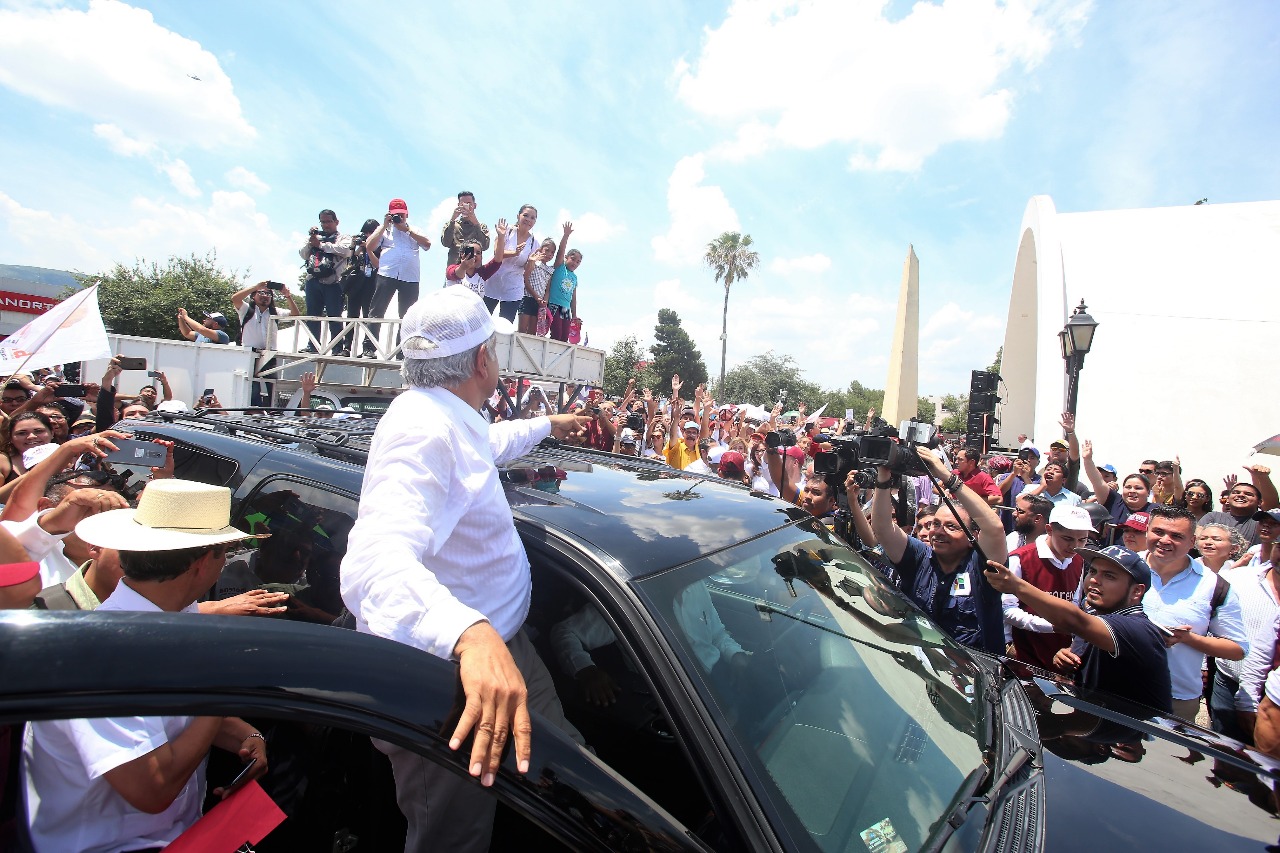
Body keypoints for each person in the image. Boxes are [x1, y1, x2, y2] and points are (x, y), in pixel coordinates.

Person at [339, 286, 590, 853]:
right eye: (495, 353)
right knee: (454, 839)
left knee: (574, 772)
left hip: (505, 649)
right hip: (451, 680)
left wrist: (548, 424)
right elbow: (374, 561)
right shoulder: (422, 431)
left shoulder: (448, 417)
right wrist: (469, 634)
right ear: (482, 361)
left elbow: (486, 444)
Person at [22, 479, 268, 853]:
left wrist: (248, 737)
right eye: (226, 553)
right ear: (205, 562)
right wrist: (219, 690)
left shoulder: (175, 621)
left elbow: (176, 715)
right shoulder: (100, 658)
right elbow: (152, 790)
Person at [985, 545, 1172, 714]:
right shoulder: (1094, 613)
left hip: (1140, 742)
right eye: (1093, 571)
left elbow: (1075, 621)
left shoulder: (1137, 628)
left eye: (1109, 576)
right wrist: (1066, 656)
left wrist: (1016, 586)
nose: (1095, 580)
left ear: (1136, 591)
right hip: (1095, 727)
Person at [871, 446, 1009, 653]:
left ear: (973, 537)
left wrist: (945, 475)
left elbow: (995, 527)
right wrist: (883, 479)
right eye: (935, 524)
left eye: (951, 527)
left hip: (975, 675)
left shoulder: (981, 566)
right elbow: (882, 529)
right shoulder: (919, 557)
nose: (938, 532)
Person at [1141, 505, 1249, 721]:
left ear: (1192, 542)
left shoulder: (1213, 585)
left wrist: (1187, 639)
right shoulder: (1122, 567)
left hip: (1175, 699)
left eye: (1176, 535)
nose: (1165, 540)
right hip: (1111, 687)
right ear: (1147, 532)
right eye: (1159, 532)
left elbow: (1238, 649)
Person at [1002, 505, 1092, 672]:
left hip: (1058, 653)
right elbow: (1007, 610)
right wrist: (1051, 626)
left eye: (1082, 540)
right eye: (1067, 538)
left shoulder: (1078, 560)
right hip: (1023, 651)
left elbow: (1073, 601)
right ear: (1049, 530)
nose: (1075, 546)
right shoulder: (1020, 558)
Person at [366, 199, 432, 349]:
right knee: (377, 310)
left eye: (401, 214)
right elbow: (369, 246)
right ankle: (369, 347)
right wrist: (383, 226)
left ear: (406, 214)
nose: (398, 218)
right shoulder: (385, 230)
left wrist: (406, 230)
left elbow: (427, 244)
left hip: (410, 277)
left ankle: (402, 349)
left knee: (407, 315)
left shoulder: (414, 230)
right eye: (395, 215)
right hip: (387, 274)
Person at [233, 281, 300, 406]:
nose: (265, 295)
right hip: (251, 354)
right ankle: (255, 411)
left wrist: (287, 295)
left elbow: (295, 314)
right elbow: (234, 298)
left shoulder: (275, 311)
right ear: (254, 296)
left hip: (269, 354)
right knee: (253, 387)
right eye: (261, 292)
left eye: (268, 293)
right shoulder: (246, 309)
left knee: (273, 386)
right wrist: (255, 286)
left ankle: (272, 411)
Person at [298, 209, 352, 352]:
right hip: (313, 281)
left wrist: (321, 245)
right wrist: (312, 241)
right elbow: (303, 255)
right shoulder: (315, 237)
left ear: (336, 222)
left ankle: (337, 348)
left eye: (328, 221)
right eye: (323, 222)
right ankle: (312, 345)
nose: (326, 225)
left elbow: (347, 251)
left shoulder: (343, 237)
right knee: (312, 316)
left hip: (334, 282)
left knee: (334, 316)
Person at [484, 204, 539, 322]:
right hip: (493, 280)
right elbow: (496, 253)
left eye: (532, 218)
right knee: (483, 320)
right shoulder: (506, 231)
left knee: (506, 323)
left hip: (513, 285)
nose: (528, 219)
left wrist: (531, 262)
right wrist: (514, 252)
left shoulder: (534, 243)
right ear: (518, 216)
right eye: (526, 215)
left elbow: (528, 271)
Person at [340, 218, 382, 358]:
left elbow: (380, 264)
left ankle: (367, 348)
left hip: (372, 284)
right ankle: (346, 348)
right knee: (351, 317)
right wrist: (355, 246)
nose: (368, 235)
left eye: (371, 232)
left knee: (368, 318)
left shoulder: (381, 245)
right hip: (356, 283)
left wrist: (369, 247)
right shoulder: (361, 247)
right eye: (365, 232)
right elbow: (350, 260)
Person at [546, 222, 582, 343]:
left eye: (578, 262)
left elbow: (574, 298)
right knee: (556, 333)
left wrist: (575, 315)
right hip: (554, 305)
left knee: (564, 337)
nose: (575, 263)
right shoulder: (560, 267)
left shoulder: (574, 277)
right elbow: (560, 251)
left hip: (565, 309)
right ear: (566, 257)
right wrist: (566, 235)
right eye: (573, 259)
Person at [440, 191, 491, 267]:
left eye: (469, 203)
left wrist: (476, 224)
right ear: (458, 205)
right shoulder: (452, 224)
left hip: (474, 272)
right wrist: (452, 220)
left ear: (475, 205)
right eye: (463, 203)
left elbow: (484, 246)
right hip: (455, 270)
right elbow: (445, 243)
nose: (466, 206)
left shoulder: (482, 226)